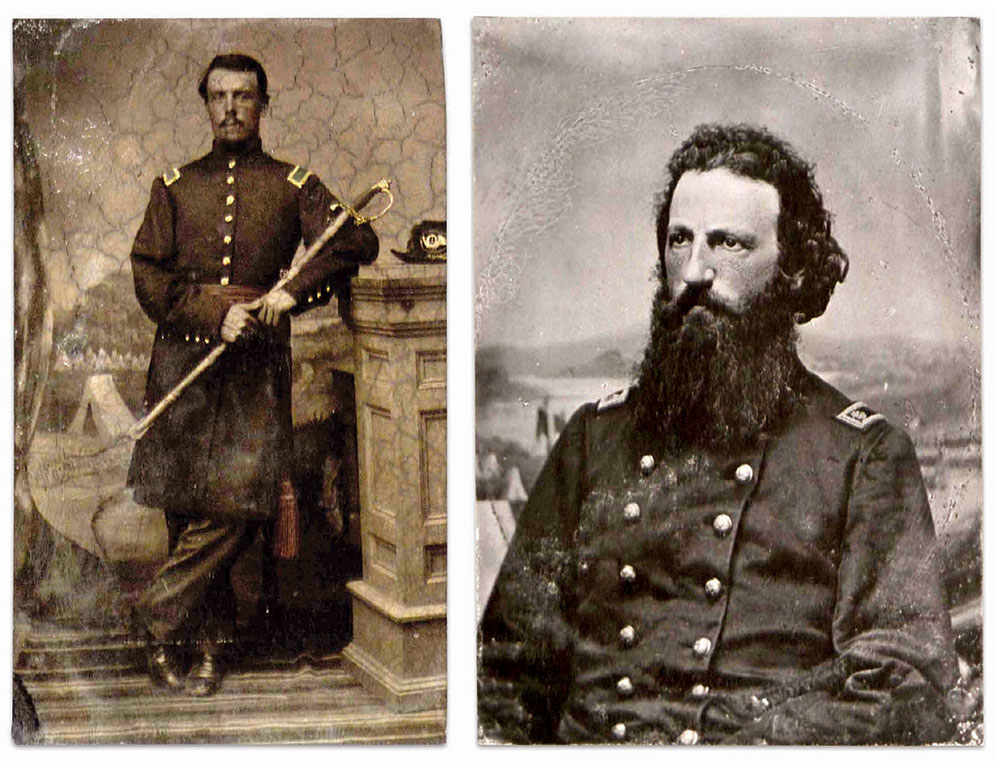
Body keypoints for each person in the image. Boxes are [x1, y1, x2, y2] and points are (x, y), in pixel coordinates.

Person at [478, 123, 959, 744]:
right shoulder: (593, 442)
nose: (696, 271)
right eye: (680, 241)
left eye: (729, 244)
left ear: (792, 270)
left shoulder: (861, 456)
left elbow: (903, 679)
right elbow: (505, 674)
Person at [127, 53, 378, 696]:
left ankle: (156, 616)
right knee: (187, 505)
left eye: (244, 95)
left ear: (264, 104)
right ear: (205, 105)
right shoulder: (174, 184)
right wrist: (215, 316)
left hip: (256, 365)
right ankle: (195, 648)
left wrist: (291, 295)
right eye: (219, 96)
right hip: (185, 356)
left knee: (236, 502)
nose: (231, 107)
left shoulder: (292, 183)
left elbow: (355, 242)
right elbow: (150, 275)